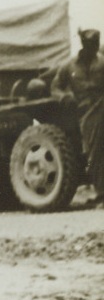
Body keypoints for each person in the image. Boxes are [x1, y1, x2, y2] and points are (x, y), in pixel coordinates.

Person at [49, 27, 104, 204]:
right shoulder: (69, 66)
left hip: (101, 106)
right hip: (85, 114)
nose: (94, 49)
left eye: (96, 45)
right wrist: (64, 96)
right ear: (83, 45)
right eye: (91, 45)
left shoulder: (102, 63)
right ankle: (101, 193)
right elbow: (55, 87)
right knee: (94, 152)